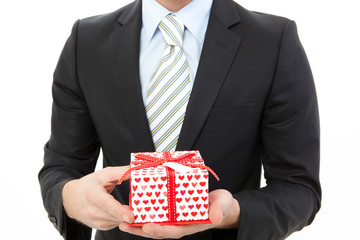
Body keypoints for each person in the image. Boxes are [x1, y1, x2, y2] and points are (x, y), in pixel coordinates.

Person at [38, 0, 321, 239]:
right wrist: (72, 198)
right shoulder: (86, 42)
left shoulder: (272, 42)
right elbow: (61, 169)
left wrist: (233, 212)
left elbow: (298, 188)